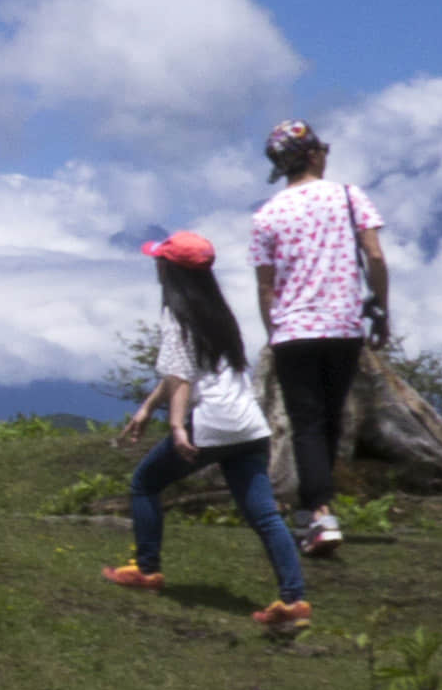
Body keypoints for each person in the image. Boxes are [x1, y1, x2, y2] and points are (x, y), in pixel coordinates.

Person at [108, 229, 307, 629]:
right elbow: (185, 372)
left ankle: (147, 569)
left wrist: (177, 427)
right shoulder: (219, 312)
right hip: (250, 426)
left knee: (145, 483)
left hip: (212, 423)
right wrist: (147, 408)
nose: (157, 266)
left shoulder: (176, 315)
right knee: (265, 516)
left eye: (161, 261)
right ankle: (294, 601)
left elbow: (180, 377)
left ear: (170, 270)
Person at [246, 118, 387, 563]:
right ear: (312, 155)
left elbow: (265, 286)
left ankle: (316, 514)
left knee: (306, 422)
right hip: (343, 325)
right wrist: (381, 308)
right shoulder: (348, 196)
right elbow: (375, 255)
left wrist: (273, 333)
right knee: (329, 420)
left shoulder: (266, 215)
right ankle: (317, 512)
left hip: (293, 330)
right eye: (323, 148)